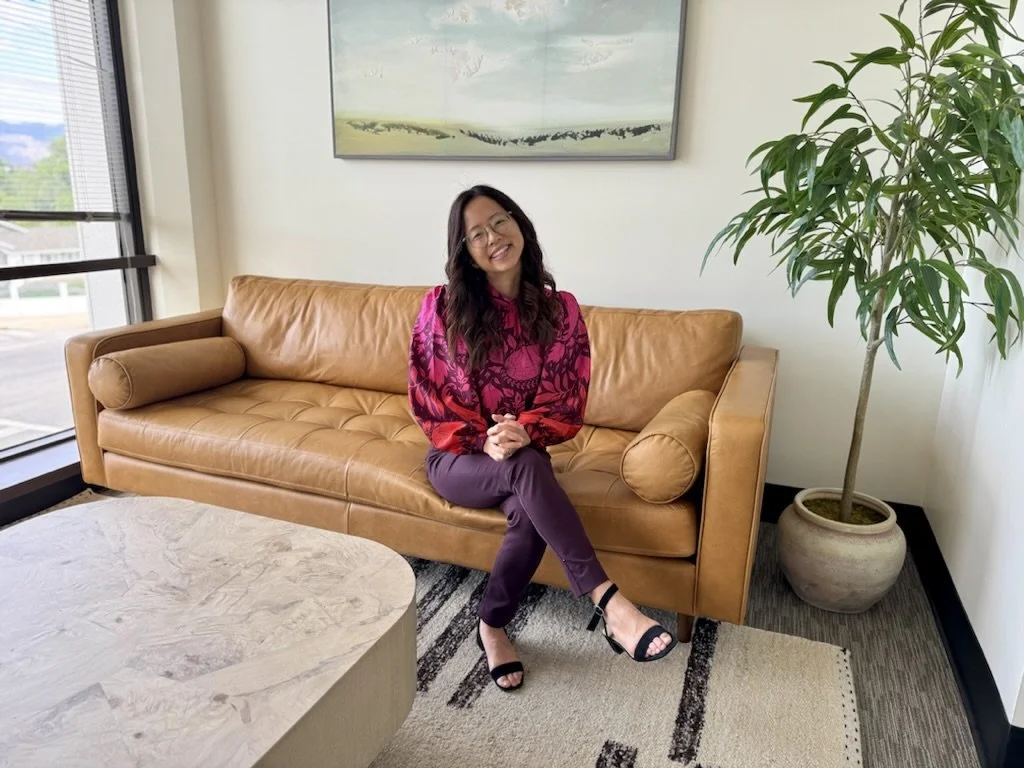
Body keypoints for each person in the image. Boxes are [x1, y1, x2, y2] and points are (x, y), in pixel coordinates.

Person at [408, 184, 677, 692]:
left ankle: (491, 625)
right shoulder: (442, 307)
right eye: (476, 234)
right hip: (457, 458)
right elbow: (427, 394)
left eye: (500, 221)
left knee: (530, 498)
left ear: (520, 225)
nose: (493, 237)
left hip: (525, 456)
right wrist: (483, 439)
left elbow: (569, 398)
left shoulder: (561, 312)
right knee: (526, 467)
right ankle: (609, 603)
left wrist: (523, 429)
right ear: (464, 251)